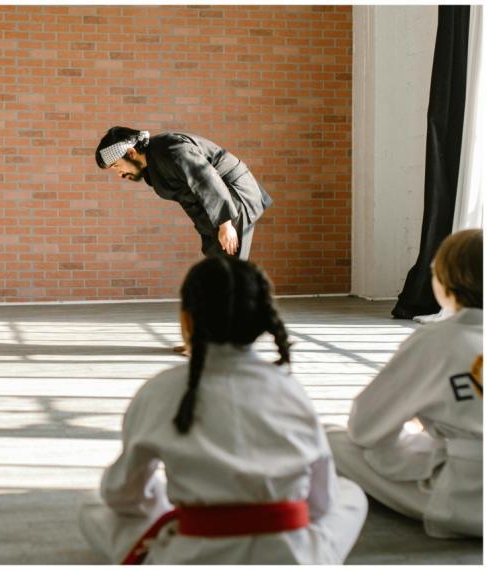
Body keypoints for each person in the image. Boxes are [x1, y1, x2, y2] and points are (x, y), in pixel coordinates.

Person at [78, 257, 368, 564]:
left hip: (192, 554)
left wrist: (179, 506)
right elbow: (321, 505)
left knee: (94, 505)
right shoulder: (289, 389)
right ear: (262, 319)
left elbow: (122, 495)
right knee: (350, 495)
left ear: (187, 320)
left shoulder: (160, 390)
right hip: (292, 555)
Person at [327, 228, 483, 538]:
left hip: (467, 497)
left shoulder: (438, 339)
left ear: (445, 280)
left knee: (331, 438)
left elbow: (365, 426)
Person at [94, 127, 273, 260]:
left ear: (131, 152)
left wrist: (225, 225)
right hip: (214, 208)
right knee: (217, 269)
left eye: (117, 166)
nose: (119, 174)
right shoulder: (153, 163)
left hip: (232, 196)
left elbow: (206, 179)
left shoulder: (171, 150)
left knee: (230, 268)